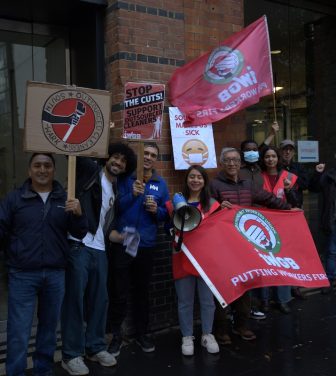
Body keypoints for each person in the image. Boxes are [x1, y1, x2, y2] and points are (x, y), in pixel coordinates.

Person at [0, 153, 88, 376]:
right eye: (37, 165)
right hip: (22, 274)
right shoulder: (14, 199)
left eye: (47, 166)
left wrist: (79, 214)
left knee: (48, 332)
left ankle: (43, 371)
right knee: (19, 333)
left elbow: (79, 232)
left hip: (55, 274)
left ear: (54, 170)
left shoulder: (65, 198)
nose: (42, 170)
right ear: (29, 171)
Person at [61, 143, 137, 375]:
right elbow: (72, 148)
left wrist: (124, 237)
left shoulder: (115, 190)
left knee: (100, 301)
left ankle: (94, 347)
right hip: (78, 244)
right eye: (115, 157)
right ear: (106, 158)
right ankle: (71, 355)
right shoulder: (90, 172)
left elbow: (107, 229)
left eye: (123, 161)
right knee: (75, 301)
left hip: (100, 249)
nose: (118, 163)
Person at [210, 147, 292, 345]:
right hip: (223, 245)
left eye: (235, 160)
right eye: (228, 160)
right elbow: (207, 207)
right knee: (223, 287)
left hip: (245, 245)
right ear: (222, 163)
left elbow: (268, 198)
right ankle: (221, 329)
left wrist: (289, 209)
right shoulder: (214, 184)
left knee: (245, 286)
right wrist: (217, 207)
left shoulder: (248, 184)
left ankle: (241, 325)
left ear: (240, 163)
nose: (232, 163)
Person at [107, 142, 169, 356]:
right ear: (141, 157)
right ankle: (116, 336)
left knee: (142, 292)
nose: (149, 157)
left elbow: (165, 214)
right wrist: (132, 194)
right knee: (119, 292)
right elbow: (116, 207)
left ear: (156, 159)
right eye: (146, 154)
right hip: (124, 242)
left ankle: (142, 334)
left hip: (147, 244)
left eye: (153, 154)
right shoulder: (126, 178)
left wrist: (157, 210)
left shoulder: (160, 183)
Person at [166, 165, 220, 356]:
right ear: (186, 180)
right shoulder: (174, 203)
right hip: (182, 257)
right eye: (192, 177)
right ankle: (187, 336)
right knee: (185, 301)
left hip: (206, 260)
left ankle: (207, 334)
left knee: (208, 301)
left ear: (204, 181)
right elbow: (167, 226)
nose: (195, 180)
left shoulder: (213, 205)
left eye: (199, 177)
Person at [259, 146, 299, 313]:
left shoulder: (288, 177)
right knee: (265, 262)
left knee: (283, 262)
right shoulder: (258, 177)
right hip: (263, 224)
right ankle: (265, 300)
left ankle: (283, 299)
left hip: (283, 224)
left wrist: (289, 190)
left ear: (278, 158)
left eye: (273, 156)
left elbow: (295, 203)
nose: (270, 159)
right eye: (267, 156)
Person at [309, 163, 336, 294]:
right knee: (331, 252)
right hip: (332, 220)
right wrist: (318, 173)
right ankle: (329, 280)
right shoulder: (329, 175)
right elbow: (314, 188)